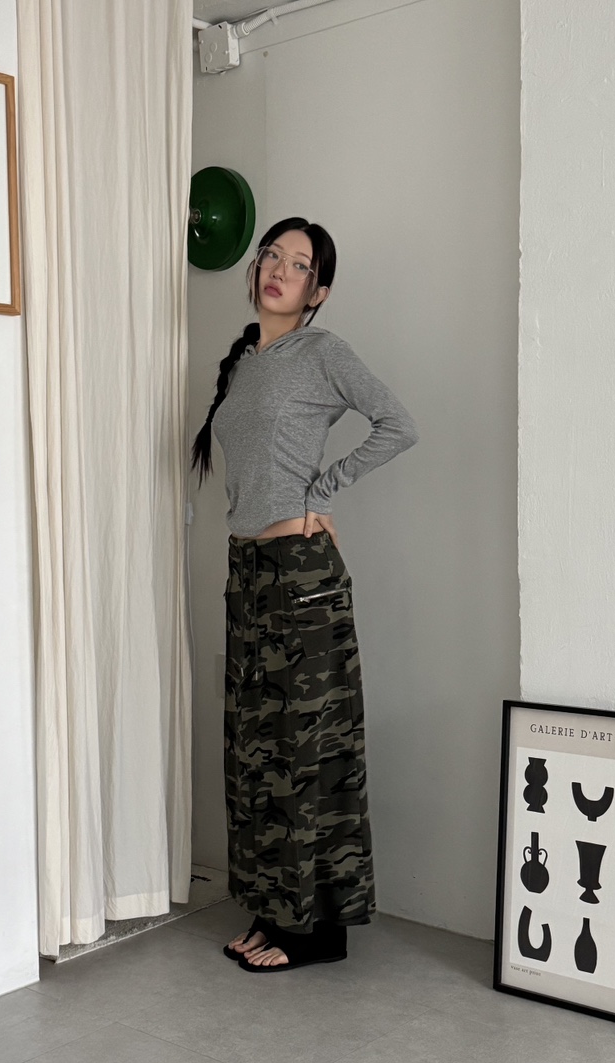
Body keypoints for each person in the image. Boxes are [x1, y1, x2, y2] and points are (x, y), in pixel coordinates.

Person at [191, 217, 418, 972]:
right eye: (273, 256)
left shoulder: (323, 353)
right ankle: (272, 912)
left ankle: (316, 932)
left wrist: (323, 491)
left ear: (317, 291)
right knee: (256, 750)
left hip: (301, 573)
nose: (280, 270)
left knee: (308, 750)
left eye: (299, 264)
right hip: (249, 571)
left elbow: (398, 424)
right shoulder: (244, 362)